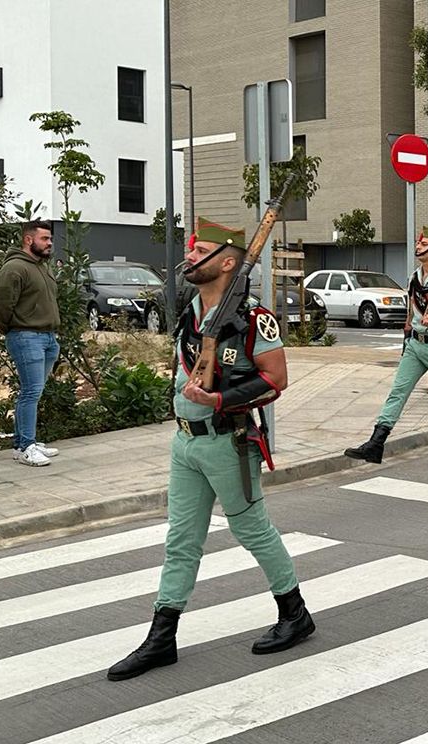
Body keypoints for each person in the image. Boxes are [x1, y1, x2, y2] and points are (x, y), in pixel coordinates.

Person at [108, 218, 313, 680]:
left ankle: (295, 613)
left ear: (225, 262)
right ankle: (162, 638)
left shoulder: (253, 319)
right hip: (185, 443)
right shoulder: (191, 312)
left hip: (227, 442)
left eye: (200, 249)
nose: (190, 254)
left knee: (252, 530)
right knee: (181, 542)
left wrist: (219, 398)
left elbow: (275, 380)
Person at [344, 225, 428, 468]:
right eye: (418, 243)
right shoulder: (416, 276)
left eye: (424, 244)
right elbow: (411, 312)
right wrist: (407, 339)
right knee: (398, 392)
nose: (418, 247)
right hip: (416, 344)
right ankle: (376, 443)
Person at [0, 220, 62, 467]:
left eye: (51, 239)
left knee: (34, 391)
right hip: (26, 336)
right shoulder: (15, 268)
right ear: (28, 240)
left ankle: (23, 442)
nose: (50, 243)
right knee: (31, 391)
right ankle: (25, 447)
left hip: (48, 337)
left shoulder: (42, 267)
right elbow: (2, 304)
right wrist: (12, 328)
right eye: (45, 239)